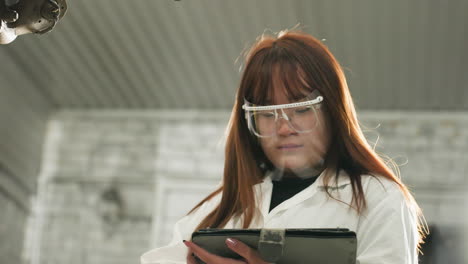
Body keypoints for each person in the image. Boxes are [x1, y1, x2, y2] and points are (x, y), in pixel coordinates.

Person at [140, 28, 427, 264]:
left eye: (301, 108)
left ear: (333, 112)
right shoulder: (223, 206)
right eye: (266, 112)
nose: (284, 127)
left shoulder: (380, 200)